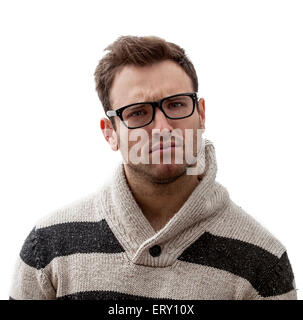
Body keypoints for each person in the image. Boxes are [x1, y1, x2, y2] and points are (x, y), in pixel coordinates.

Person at [9, 35, 297, 300]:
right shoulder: (48, 248)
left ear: (202, 113)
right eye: (138, 112)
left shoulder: (263, 263)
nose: (162, 128)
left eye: (176, 105)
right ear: (109, 132)